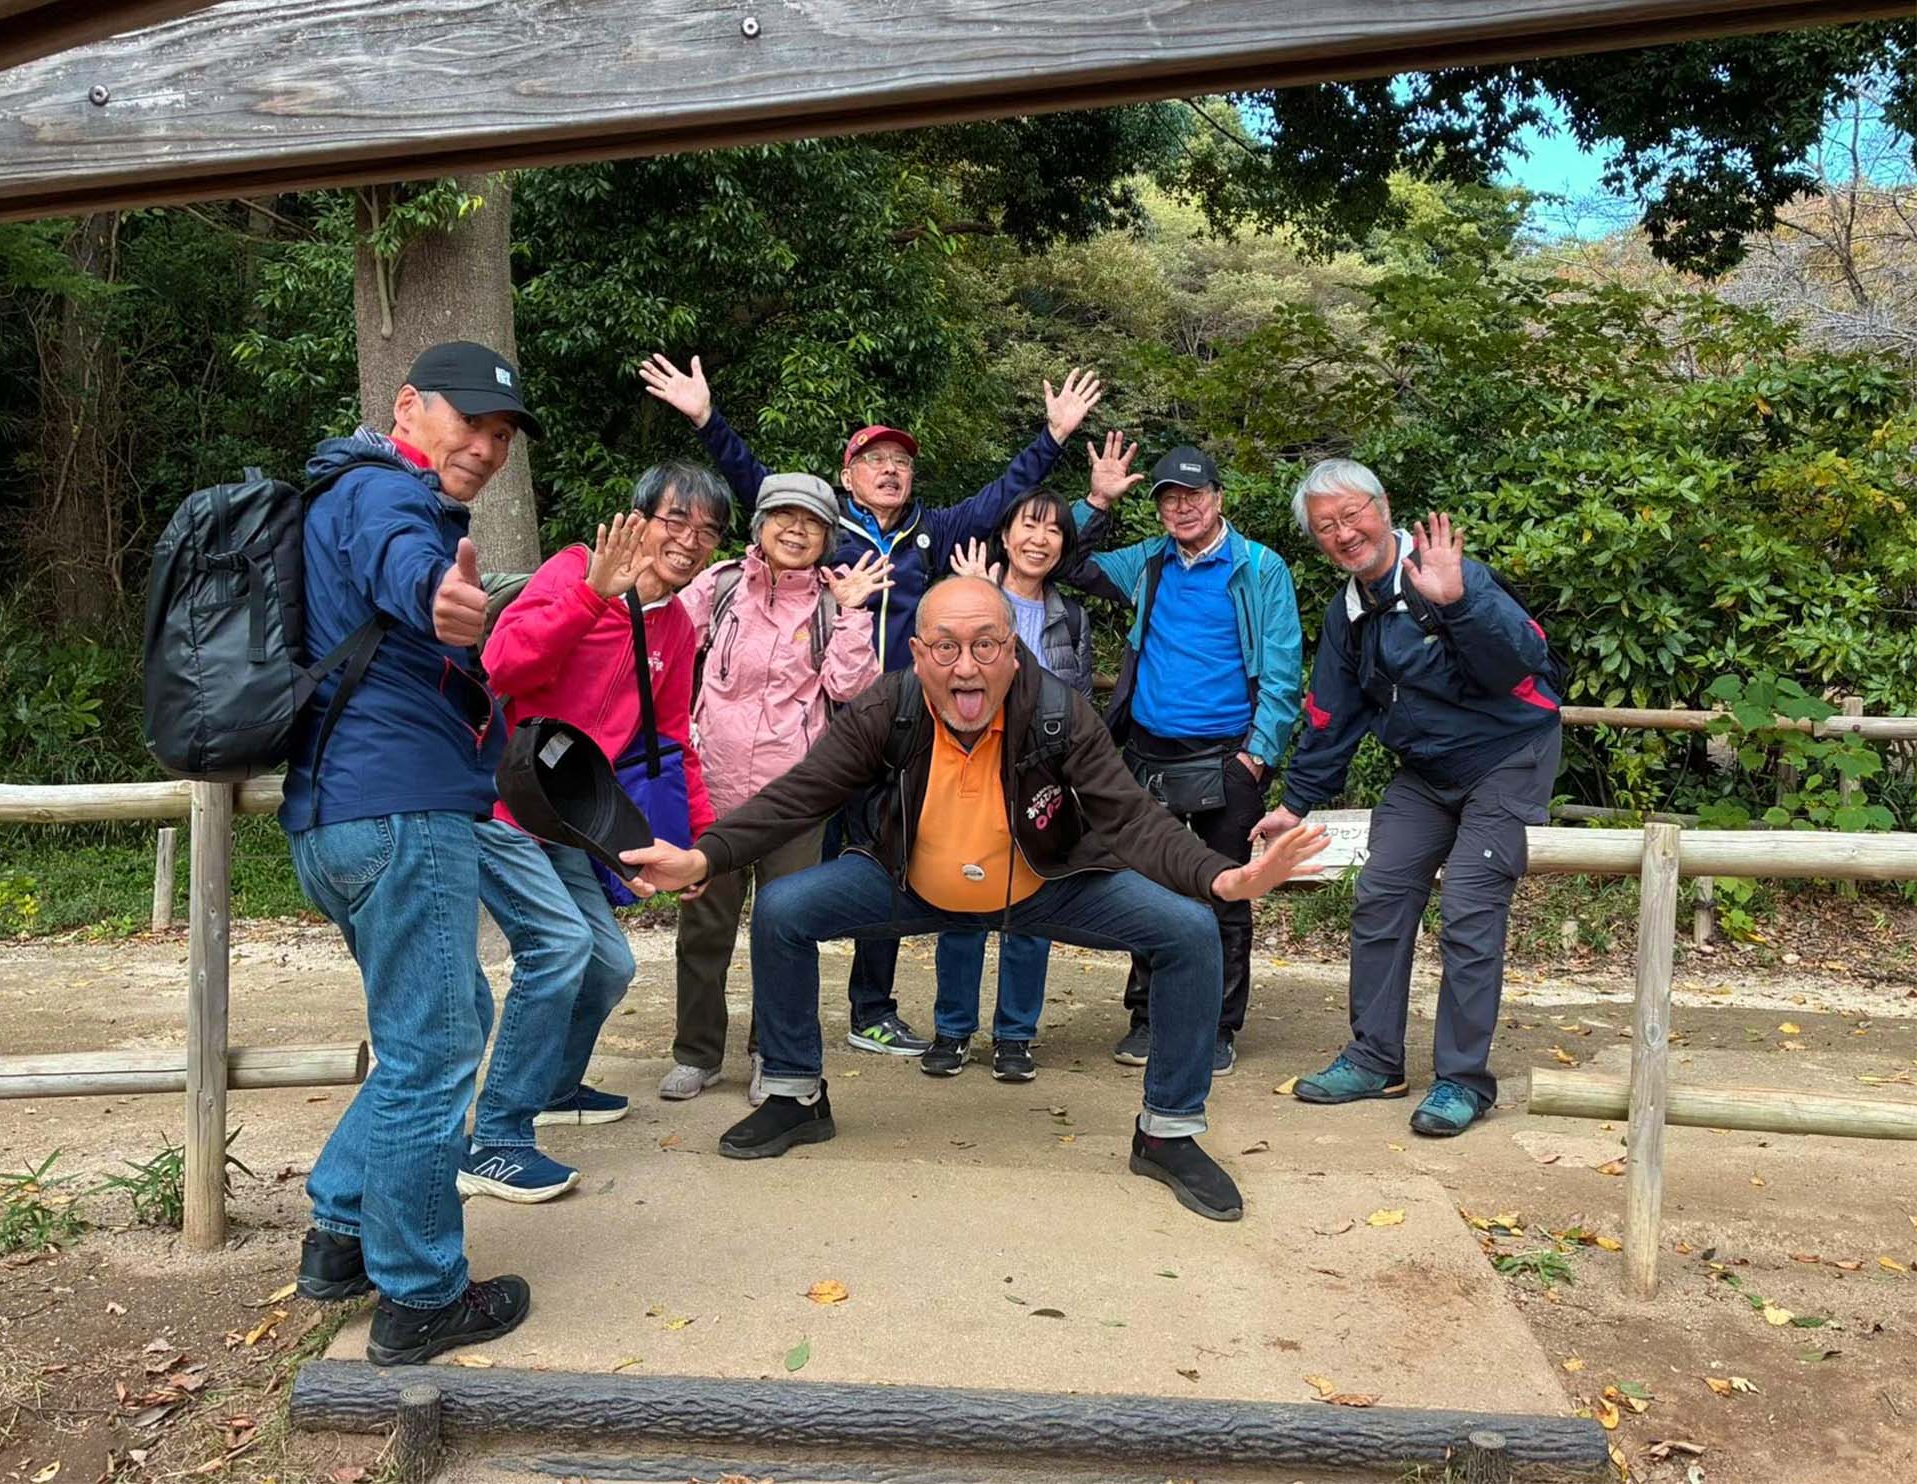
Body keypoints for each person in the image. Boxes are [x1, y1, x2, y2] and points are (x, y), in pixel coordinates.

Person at [618, 577, 1330, 1223]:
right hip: (912, 885)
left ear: (1013, 653)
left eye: (987, 645)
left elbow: (1133, 819)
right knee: (783, 911)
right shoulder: (888, 708)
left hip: (1042, 887)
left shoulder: (1058, 712)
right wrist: (703, 856)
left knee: (1189, 929)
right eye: (947, 647)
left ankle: (1168, 1134)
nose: (967, 667)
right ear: (918, 654)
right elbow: (799, 796)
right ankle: (794, 1096)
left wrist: (1220, 878)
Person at [637, 354, 1104, 1057]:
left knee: (890, 864)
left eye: (902, 463)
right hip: (823, 733)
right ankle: (716, 1044)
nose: (890, 471)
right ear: (847, 474)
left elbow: (1005, 497)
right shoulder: (821, 532)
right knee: (781, 882)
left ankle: (871, 1009)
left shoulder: (935, 533)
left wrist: (1054, 436)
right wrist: (707, 419)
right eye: (874, 460)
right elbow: (760, 487)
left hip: (904, 729)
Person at [281, 340, 537, 1365]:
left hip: (338, 819)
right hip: (400, 815)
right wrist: (440, 595)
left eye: (502, 435)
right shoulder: (389, 495)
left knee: (444, 1017)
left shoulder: (343, 492)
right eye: (470, 422)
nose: (486, 447)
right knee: (432, 1054)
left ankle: (341, 1230)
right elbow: (409, 570)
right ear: (407, 407)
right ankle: (421, 1294)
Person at [1252, 459, 1561, 1137]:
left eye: (1352, 514)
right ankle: (1374, 1060)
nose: (1343, 532)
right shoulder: (1349, 614)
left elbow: (1520, 661)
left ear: (1383, 506)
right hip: (1426, 770)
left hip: (1508, 757)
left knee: (1471, 906)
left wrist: (1459, 604)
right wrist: (1295, 804)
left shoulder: (1449, 575)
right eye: (1326, 526)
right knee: (1382, 893)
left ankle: (1463, 1080)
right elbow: (1331, 715)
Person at [467, 462, 733, 1201]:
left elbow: (671, 741)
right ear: (638, 519)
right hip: (501, 806)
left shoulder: (676, 626)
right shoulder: (572, 571)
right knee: (559, 950)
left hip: (570, 821)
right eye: (676, 520)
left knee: (609, 965)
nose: (691, 540)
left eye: (708, 531)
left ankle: (553, 1087)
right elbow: (502, 665)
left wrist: (700, 845)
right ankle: (496, 1138)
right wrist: (590, 597)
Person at [1073, 437, 1303, 1075]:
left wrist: (1257, 757)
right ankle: (1148, 1017)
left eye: (1193, 494)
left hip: (1228, 758)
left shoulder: (1259, 568)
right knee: (1149, 890)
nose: (1182, 507)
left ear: (1218, 497)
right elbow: (1068, 562)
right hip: (1148, 753)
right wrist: (1097, 501)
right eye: (1169, 498)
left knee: (1227, 894)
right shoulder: (1148, 562)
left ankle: (1217, 1024)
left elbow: (1283, 670)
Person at [664, 472, 889, 1103]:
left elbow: (853, 690)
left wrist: (853, 614)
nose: (797, 530)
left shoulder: (830, 603)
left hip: (795, 801)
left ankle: (775, 1051)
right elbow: (668, 645)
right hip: (713, 790)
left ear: (826, 537)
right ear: (761, 524)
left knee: (785, 928)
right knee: (704, 929)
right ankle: (697, 1052)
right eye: (785, 516)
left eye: (813, 522)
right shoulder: (721, 586)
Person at [924, 490, 1099, 1083]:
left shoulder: (1070, 617)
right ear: (1005, 535)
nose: (1039, 539)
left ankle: (1015, 1035)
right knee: (961, 900)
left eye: (1054, 530)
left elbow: (1079, 702)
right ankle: (952, 1029)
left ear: (1064, 545)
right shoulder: (961, 599)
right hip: (968, 767)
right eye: (1029, 525)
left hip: (1040, 775)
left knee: (1032, 910)